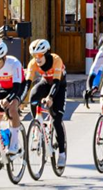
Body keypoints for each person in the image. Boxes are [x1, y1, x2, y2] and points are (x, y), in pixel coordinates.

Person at [25, 39, 68, 168]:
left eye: (39, 55)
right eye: (34, 55)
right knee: (33, 95)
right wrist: (18, 98)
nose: (37, 59)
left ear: (46, 53)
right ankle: (37, 125)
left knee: (56, 120)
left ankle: (62, 154)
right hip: (45, 82)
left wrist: (50, 97)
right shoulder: (33, 63)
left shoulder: (56, 60)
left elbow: (56, 83)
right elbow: (27, 84)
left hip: (59, 86)